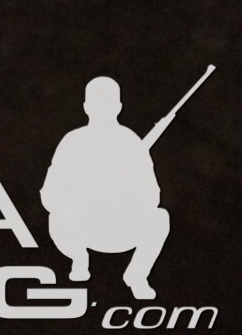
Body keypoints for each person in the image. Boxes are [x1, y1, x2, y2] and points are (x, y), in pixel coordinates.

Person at [45, 75, 173, 301]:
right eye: (97, 103)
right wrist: (78, 200)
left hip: (122, 227)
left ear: (118, 107)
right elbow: (49, 193)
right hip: (81, 229)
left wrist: (123, 193)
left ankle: (137, 275)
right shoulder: (72, 141)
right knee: (56, 217)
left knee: (160, 218)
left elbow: (153, 196)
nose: (102, 109)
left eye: (107, 103)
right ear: (86, 107)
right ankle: (78, 258)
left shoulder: (131, 142)